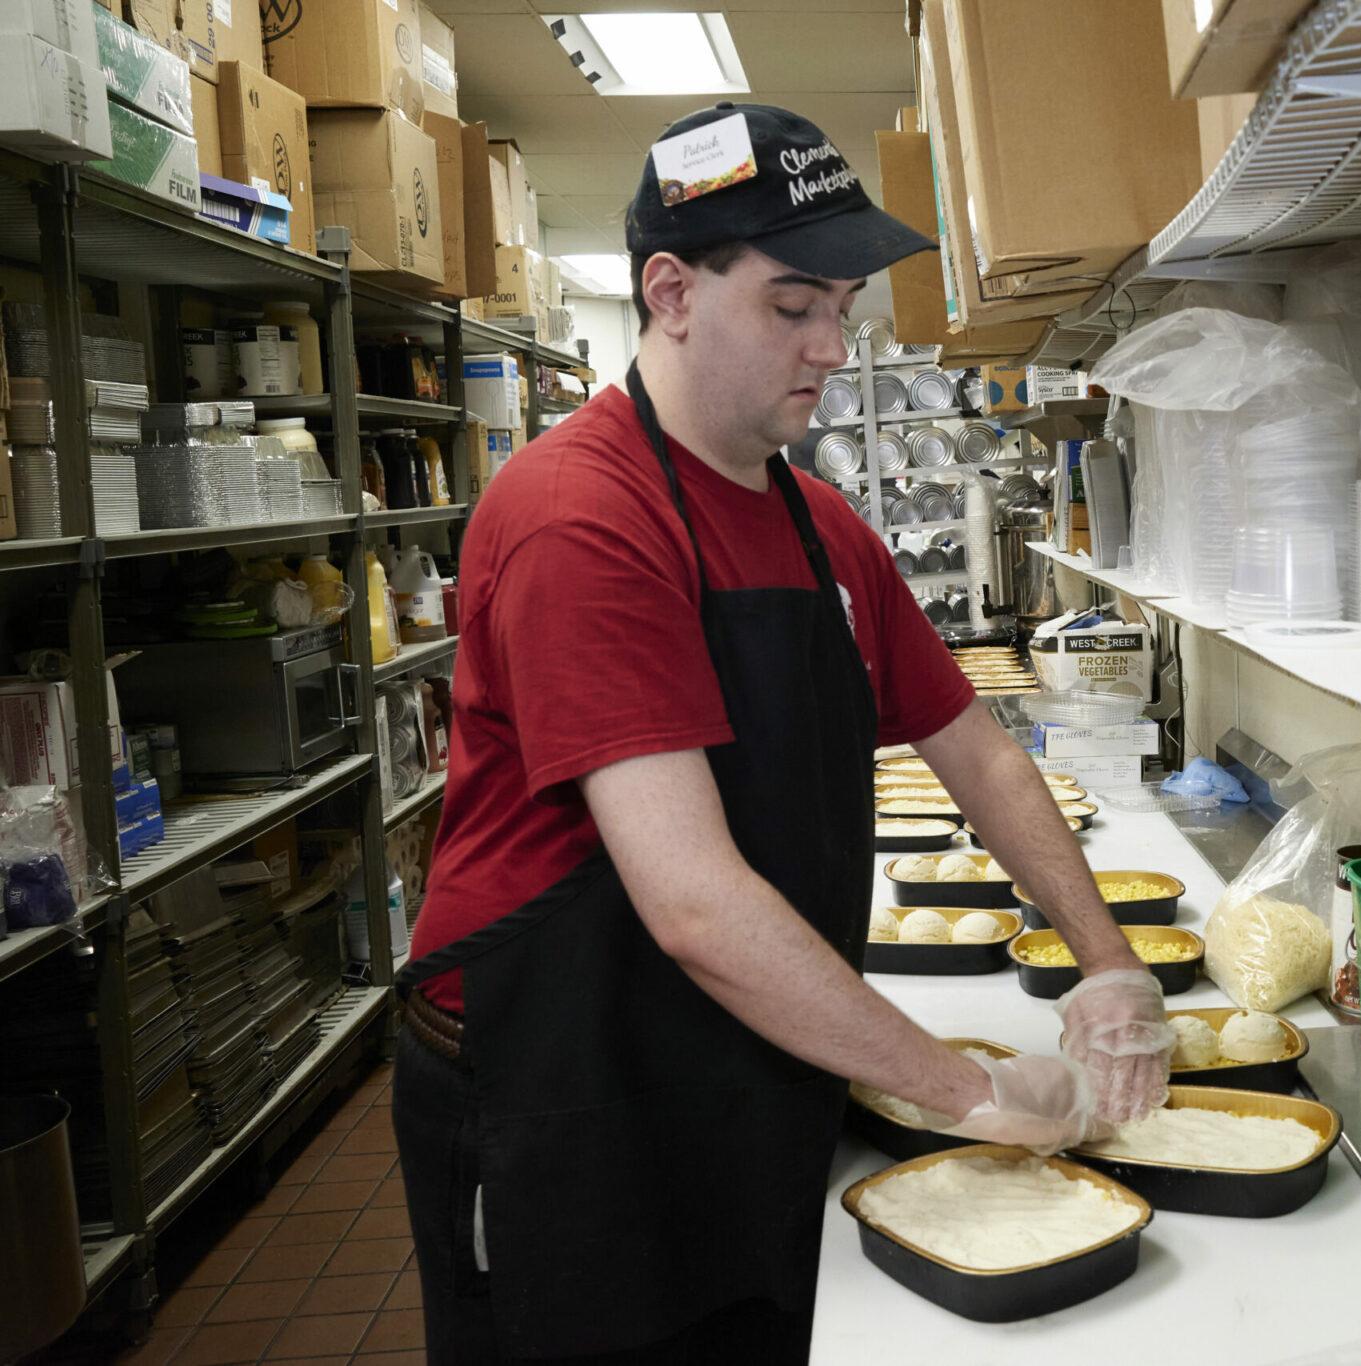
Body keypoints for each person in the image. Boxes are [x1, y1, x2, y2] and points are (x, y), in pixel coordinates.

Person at [391, 102, 1174, 1364]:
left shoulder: (819, 524)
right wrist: (966, 1087)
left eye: (843, 309)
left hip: (739, 1045)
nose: (829, 346)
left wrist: (1106, 966)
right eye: (791, 305)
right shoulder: (578, 519)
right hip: (562, 1085)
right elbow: (694, 901)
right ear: (670, 291)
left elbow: (970, 742)